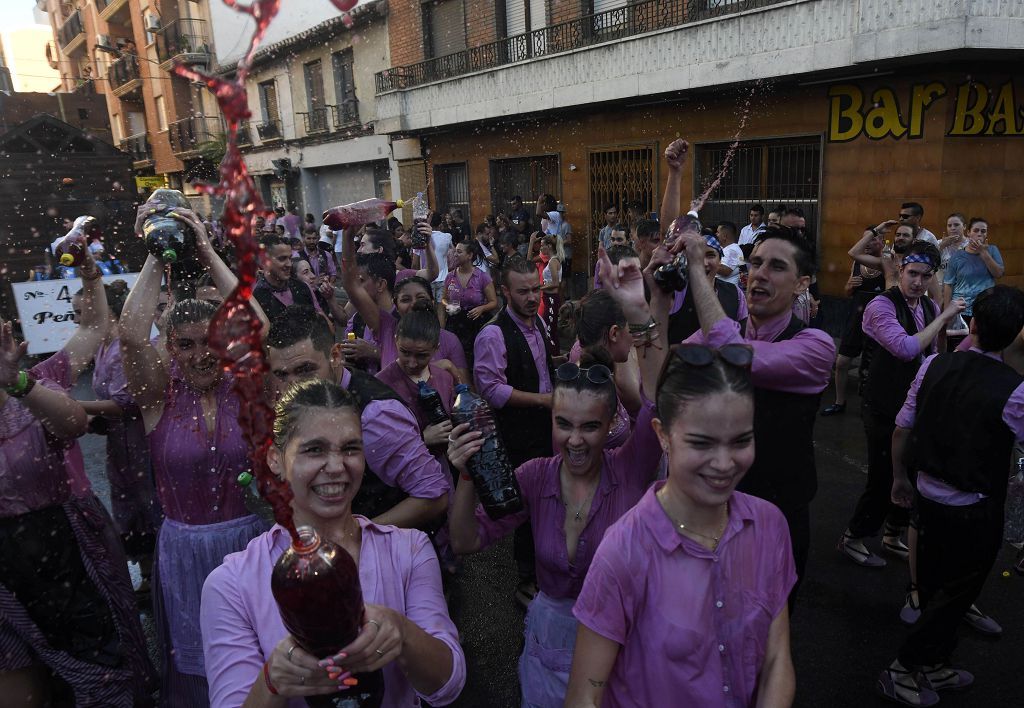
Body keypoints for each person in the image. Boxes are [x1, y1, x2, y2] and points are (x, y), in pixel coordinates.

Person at [201, 379, 466, 707]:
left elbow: (447, 685)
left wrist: (402, 633)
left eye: (350, 448)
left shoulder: (408, 550)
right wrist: (274, 681)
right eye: (314, 450)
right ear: (274, 460)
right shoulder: (232, 584)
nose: (337, 466)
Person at [564, 344, 796, 708]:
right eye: (701, 443)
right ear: (662, 435)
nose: (724, 463)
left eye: (741, 441)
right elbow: (583, 697)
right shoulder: (623, 552)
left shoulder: (769, 526)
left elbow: (777, 657)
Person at [447, 342, 663, 707]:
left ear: (611, 424)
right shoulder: (535, 478)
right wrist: (467, 477)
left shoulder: (630, 466)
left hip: (620, 637)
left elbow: (658, 400)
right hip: (552, 640)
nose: (574, 440)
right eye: (564, 424)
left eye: (590, 426)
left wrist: (647, 316)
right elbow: (466, 540)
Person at [120, 207, 271, 706]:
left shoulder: (243, 386)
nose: (201, 354)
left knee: (258, 661)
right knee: (199, 668)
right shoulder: (157, 400)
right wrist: (150, 251)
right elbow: (129, 334)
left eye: (211, 342)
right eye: (185, 345)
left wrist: (206, 248)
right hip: (183, 552)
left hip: (248, 542)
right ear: (170, 351)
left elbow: (259, 323)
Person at [0, 269, 156, 707]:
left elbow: (73, 421)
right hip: (9, 572)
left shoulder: (37, 382)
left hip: (60, 554)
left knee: (97, 674)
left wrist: (88, 269)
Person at [879, 285, 1024, 706]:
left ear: (973, 323)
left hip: (925, 494)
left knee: (934, 587)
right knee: (955, 596)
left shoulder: (933, 365)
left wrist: (899, 478)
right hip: (973, 508)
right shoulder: (1014, 390)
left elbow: (902, 427)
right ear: (1016, 334)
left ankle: (934, 664)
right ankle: (903, 668)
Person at [674, 218, 834, 598]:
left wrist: (697, 269)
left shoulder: (815, 344)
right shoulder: (725, 328)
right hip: (711, 508)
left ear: (802, 283)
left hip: (776, 516)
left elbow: (738, 356)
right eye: (755, 264)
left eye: (776, 267)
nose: (759, 275)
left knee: (764, 629)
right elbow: (664, 372)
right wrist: (653, 304)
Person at [837, 243, 963, 568]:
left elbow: (933, 352)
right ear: (900, 270)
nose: (918, 282)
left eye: (925, 275)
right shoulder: (881, 305)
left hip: (913, 402)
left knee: (911, 470)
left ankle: (892, 535)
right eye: (912, 273)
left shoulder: (930, 307)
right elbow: (906, 349)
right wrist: (946, 315)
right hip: (883, 400)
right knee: (883, 476)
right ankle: (853, 536)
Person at [266, 310, 450, 532]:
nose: (293, 387)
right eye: (282, 375)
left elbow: (433, 496)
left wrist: (353, 535)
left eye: (305, 370)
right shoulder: (297, 405)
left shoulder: (375, 415)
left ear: (335, 356)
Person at [474, 255, 556, 605]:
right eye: (523, 291)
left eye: (535, 288)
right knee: (526, 506)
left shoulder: (536, 322)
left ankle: (545, 569)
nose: (532, 296)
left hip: (546, 429)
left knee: (547, 501)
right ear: (505, 291)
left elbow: (541, 368)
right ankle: (526, 581)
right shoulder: (493, 333)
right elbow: (492, 390)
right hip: (518, 434)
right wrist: (542, 401)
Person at [76, 279, 162, 590]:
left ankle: (164, 573)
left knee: (151, 504)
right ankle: (148, 573)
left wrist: (73, 406)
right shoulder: (102, 348)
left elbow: (126, 402)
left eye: (81, 312)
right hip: (119, 446)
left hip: (141, 443)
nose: (76, 319)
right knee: (130, 509)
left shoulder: (127, 348)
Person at [341, 231, 468, 381]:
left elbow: (465, 391)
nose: (415, 303)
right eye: (406, 299)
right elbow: (353, 287)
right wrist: (348, 234)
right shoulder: (386, 328)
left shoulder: (449, 340)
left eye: (421, 297)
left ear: (432, 301)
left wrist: (449, 370)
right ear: (396, 305)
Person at [561, 288, 644, 450]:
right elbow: (640, 401)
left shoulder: (585, 351)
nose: (633, 335)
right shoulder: (598, 378)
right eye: (630, 327)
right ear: (614, 333)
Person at [821, 230, 887, 416]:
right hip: (856, 317)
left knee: (873, 367)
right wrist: (850, 286)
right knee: (841, 362)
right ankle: (839, 402)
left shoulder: (887, 264)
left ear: (882, 241)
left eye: (872, 238)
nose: (867, 242)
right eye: (864, 238)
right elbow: (848, 292)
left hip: (877, 321)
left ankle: (872, 406)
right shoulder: (858, 263)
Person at [441, 239, 498, 367]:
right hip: (455, 323)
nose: (455, 254)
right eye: (455, 251)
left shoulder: (482, 277)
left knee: (476, 359)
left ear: (470, 255)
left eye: (459, 252)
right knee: (456, 359)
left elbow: (494, 302)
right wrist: (448, 305)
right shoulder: (450, 276)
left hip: (475, 323)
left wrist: (482, 308)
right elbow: (443, 299)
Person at [253, 235, 329, 324]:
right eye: (282, 259)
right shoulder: (256, 298)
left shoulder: (303, 287)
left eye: (290, 258)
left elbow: (325, 324)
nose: (289, 264)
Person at [942, 217, 1003, 326]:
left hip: (985, 307)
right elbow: (948, 284)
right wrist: (947, 312)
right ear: (969, 233)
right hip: (962, 308)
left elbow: (998, 274)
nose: (979, 234)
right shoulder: (957, 256)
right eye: (976, 230)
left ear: (986, 234)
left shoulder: (992, 250)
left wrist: (983, 253)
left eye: (983, 231)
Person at [715, 220, 743, 286]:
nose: (716, 234)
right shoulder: (727, 248)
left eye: (718, 232)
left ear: (725, 236)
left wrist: (703, 261)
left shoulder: (733, 250)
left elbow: (725, 271)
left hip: (727, 292)